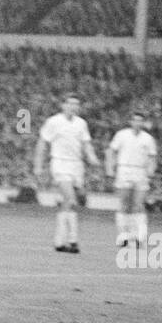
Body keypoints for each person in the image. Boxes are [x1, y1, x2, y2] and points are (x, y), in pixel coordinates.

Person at [33, 94, 100, 254]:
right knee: (70, 198)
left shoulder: (81, 123)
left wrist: (91, 156)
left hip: (77, 165)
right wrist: (38, 165)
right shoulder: (53, 121)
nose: (73, 107)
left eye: (76, 104)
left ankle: (59, 242)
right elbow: (42, 144)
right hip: (60, 163)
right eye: (70, 103)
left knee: (68, 203)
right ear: (63, 105)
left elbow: (86, 144)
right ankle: (73, 241)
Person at [106, 111, 158, 248]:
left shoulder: (148, 139)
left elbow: (152, 157)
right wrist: (110, 167)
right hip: (124, 170)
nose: (137, 123)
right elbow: (111, 151)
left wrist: (151, 170)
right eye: (135, 120)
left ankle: (138, 235)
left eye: (140, 120)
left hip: (140, 171)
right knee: (124, 204)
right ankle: (123, 235)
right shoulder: (121, 135)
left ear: (143, 123)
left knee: (138, 204)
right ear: (131, 122)